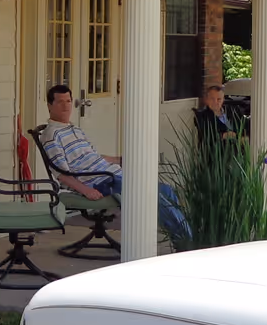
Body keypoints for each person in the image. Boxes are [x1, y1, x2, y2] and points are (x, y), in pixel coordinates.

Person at [39, 83, 190, 241]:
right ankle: (185, 240)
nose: (66, 106)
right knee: (153, 196)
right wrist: (85, 190)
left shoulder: (74, 129)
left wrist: (122, 160)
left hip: (112, 174)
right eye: (60, 102)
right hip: (100, 181)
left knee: (166, 190)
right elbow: (61, 173)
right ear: (50, 106)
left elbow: (94, 156)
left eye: (68, 101)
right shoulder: (52, 135)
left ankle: (183, 236)